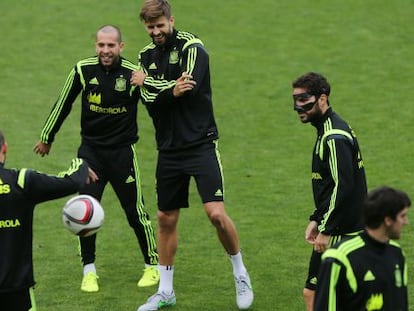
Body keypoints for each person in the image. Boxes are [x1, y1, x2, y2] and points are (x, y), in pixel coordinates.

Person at [131, 1, 254, 310]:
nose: (157, 32)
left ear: (171, 20)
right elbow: (147, 99)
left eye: (161, 25)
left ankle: (240, 272)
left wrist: (160, 88)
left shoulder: (192, 46)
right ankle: (166, 291)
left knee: (215, 214)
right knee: (165, 218)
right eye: (151, 27)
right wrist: (168, 89)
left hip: (200, 145)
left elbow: (191, 88)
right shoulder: (144, 57)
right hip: (168, 150)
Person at [33, 25, 159, 293]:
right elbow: (63, 102)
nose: (105, 51)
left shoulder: (133, 74)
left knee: (135, 212)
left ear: (120, 47)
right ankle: (89, 271)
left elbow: (156, 104)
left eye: (111, 46)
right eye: (101, 45)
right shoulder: (82, 69)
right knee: (84, 212)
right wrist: (47, 136)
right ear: (96, 45)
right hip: (90, 154)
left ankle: (152, 265)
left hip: (123, 154)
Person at [292, 72, 367, 311]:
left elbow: (343, 187)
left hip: (342, 229)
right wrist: (317, 217)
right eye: (295, 99)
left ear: (322, 99)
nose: (297, 106)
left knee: (315, 294)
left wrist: (326, 229)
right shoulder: (329, 128)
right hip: (345, 226)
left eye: (304, 99)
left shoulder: (333, 137)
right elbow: (331, 186)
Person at [0, 129, 97, 311]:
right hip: (16, 291)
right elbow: (71, 182)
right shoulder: (21, 182)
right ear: (5, 148)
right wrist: (80, 163)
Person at [314, 186, 410, 310]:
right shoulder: (339, 257)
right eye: (402, 216)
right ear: (388, 220)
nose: (406, 222)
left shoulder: (397, 253)